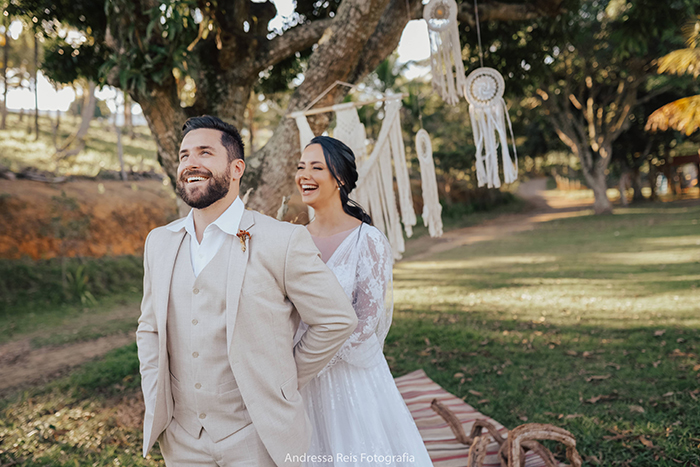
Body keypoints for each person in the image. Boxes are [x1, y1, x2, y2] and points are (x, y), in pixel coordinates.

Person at [136, 116, 358, 467]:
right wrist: (155, 395)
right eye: (184, 156)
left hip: (258, 438)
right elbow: (149, 329)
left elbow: (337, 319)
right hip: (182, 441)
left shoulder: (282, 240)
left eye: (205, 153)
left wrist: (281, 380)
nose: (191, 164)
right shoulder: (159, 242)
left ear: (236, 168)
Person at [295, 136, 433, 466]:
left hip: (347, 379)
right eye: (301, 167)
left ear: (340, 178)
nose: (304, 175)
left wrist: (308, 361)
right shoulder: (293, 240)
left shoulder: (367, 241)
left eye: (316, 167)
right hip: (297, 381)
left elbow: (365, 323)